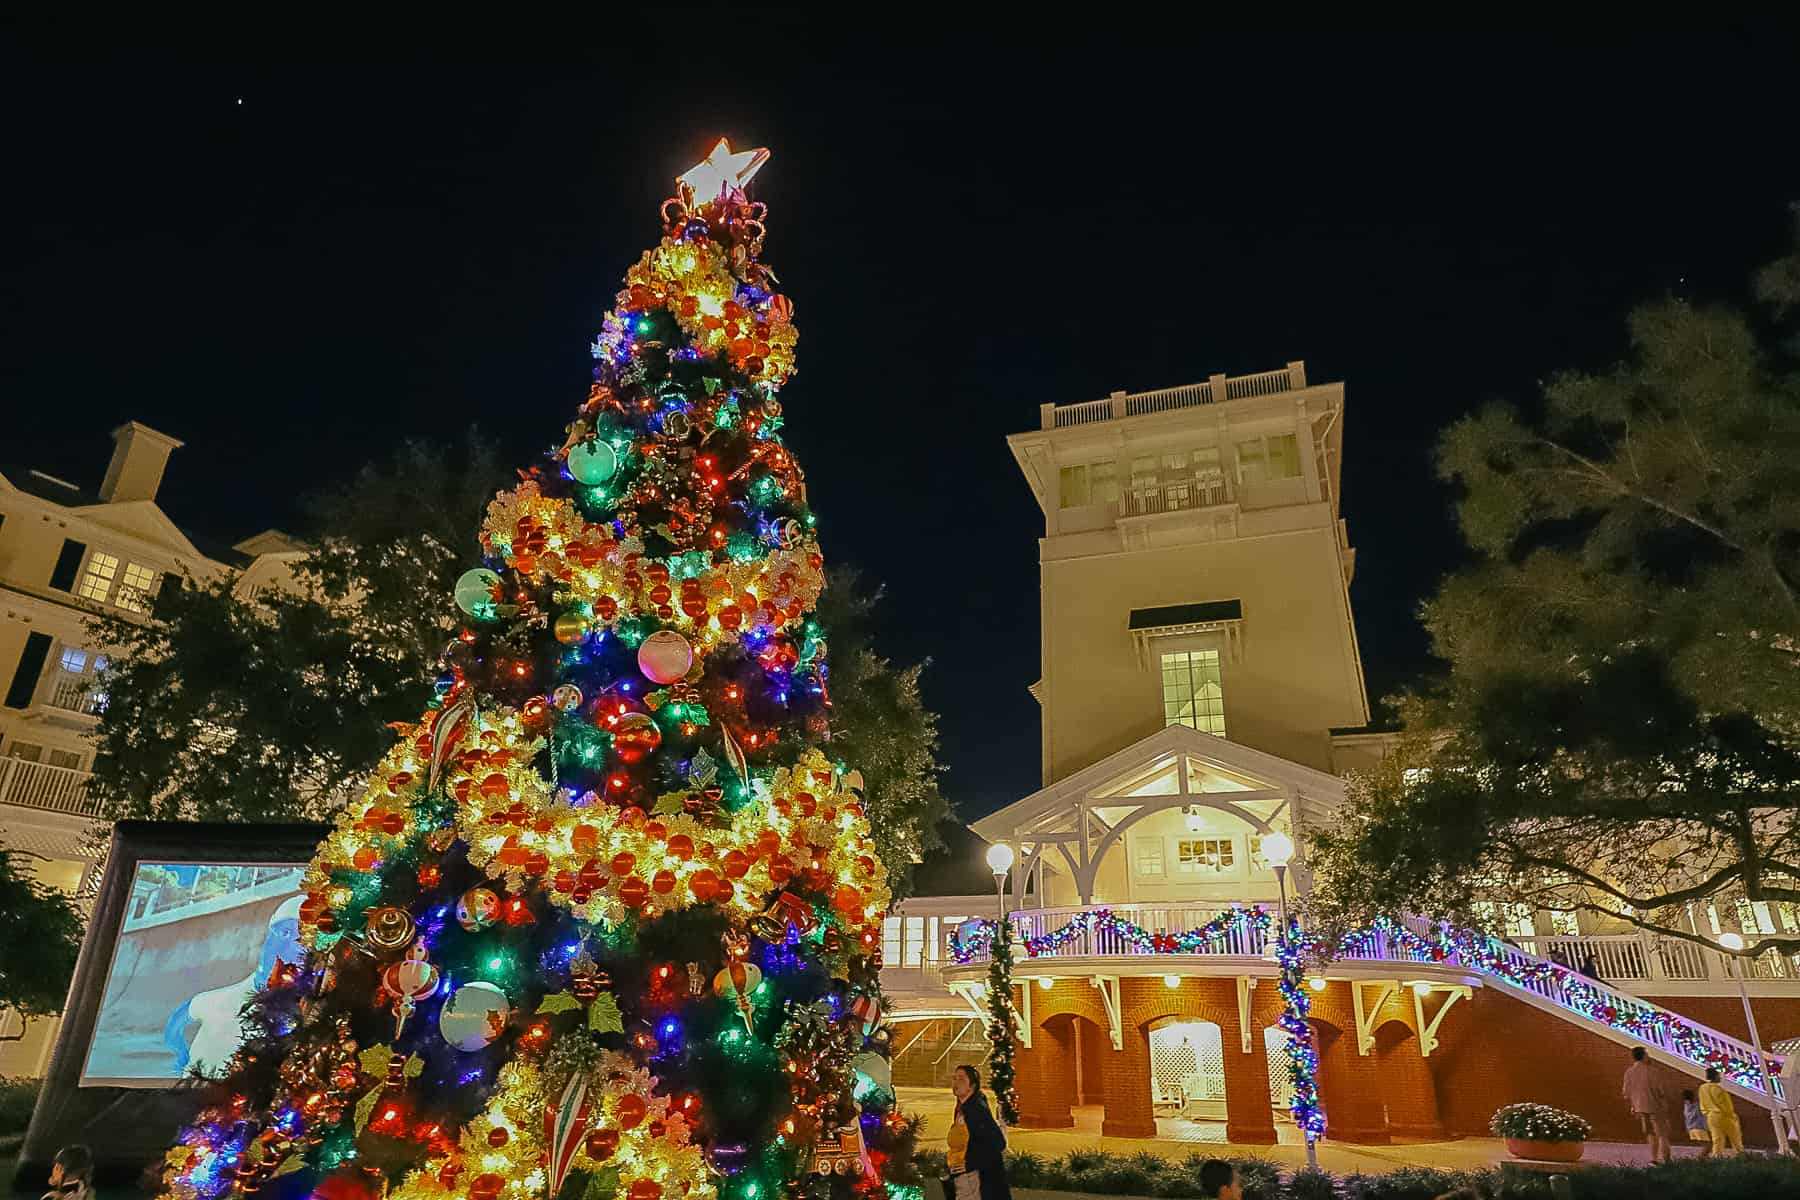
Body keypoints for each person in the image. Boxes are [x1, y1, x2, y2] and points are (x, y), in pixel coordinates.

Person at [947, 1064, 1012, 1200]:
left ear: (972, 1085)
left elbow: (998, 1143)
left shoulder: (975, 1110)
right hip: (965, 1176)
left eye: (961, 1079)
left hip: (974, 1178)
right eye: (954, 1078)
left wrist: (970, 1163)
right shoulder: (964, 1108)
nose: (955, 1082)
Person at [1621, 1045, 1670, 1163]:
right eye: (1647, 1054)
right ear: (1643, 1056)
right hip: (1655, 1105)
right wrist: (1664, 1105)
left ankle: (1654, 1158)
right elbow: (1660, 1091)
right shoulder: (1653, 1071)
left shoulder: (1629, 1072)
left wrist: (1634, 1104)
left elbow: (1626, 1092)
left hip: (1640, 1107)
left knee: (1650, 1133)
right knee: (1662, 1134)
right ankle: (1667, 1160)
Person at [1698, 1066, 1744, 1155]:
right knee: (1735, 1137)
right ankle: (1740, 1154)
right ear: (1715, 1076)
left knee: (1717, 1138)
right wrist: (1732, 1115)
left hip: (1710, 1116)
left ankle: (1717, 1156)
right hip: (1723, 1115)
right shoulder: (1718, 1089)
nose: (1720, 1077)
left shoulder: (1702, 1088)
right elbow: (1725, 1105)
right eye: (1718, 1076)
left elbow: (1702, 1102)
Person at [1682, 1088, 1711, 1158]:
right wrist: (1707, 1128)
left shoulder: (1686, 1106)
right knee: (1708, 1146)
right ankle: (1700, 1159)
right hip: (1699, 1128)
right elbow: (1701, 1117)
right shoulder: (1697, 1106)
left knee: (1705, 1146)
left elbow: (1686, 1118)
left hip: (1691, 1129)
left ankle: (1704, 1159)